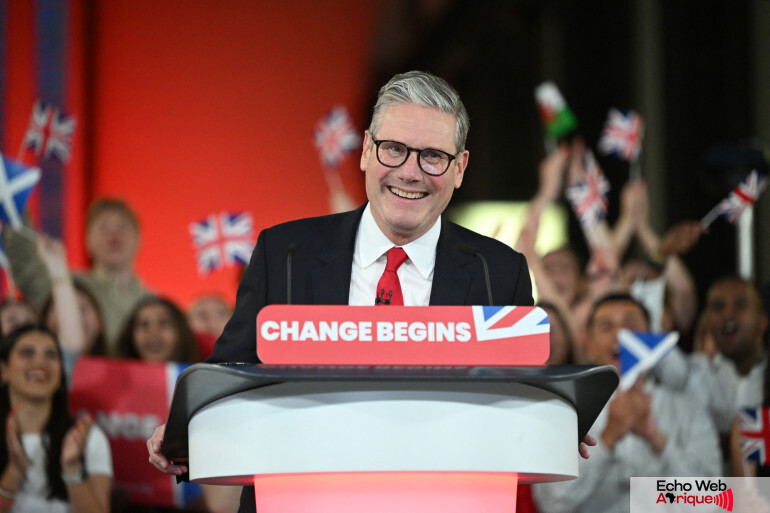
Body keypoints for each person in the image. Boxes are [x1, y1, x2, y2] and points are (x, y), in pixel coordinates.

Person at [147, 70, 544, 513]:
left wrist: (553, 420)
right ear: (367, 150)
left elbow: (519, 402)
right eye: (394, 149)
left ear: (460, 168)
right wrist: (186, 430)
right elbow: (232, 370)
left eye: (432, 156)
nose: (410, 172)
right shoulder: (286, 253)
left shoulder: (499, 271)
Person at [533, 293, 720, 513]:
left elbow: (713, 502)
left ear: (651, 338)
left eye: (630, 323)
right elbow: (551, 503)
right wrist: (608, 438)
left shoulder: (688, 409)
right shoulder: (563, 413)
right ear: (589, 344)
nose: (620, 335)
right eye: (606, 326)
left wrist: (658, 441)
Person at [3, 198, 152, 353]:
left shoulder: (154, 305)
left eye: (122, 227)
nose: (113, 235)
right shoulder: (66, 286)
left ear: (139, 239)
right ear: (88, 240)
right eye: (103, 228)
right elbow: (28, 269)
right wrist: (13, 198)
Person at [0, 324, 112, 512]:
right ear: (3, 371)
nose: (40, 363)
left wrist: (72, 469)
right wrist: (14, 473)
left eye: (51, 355)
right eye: (27, 353)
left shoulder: (87, 439)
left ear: (61, 372)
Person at [115, 296, 200, 364]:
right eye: (144, 324)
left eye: (163, 323)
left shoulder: (199, 379)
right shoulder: (113, 380)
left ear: (181, 333)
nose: (153, 332)